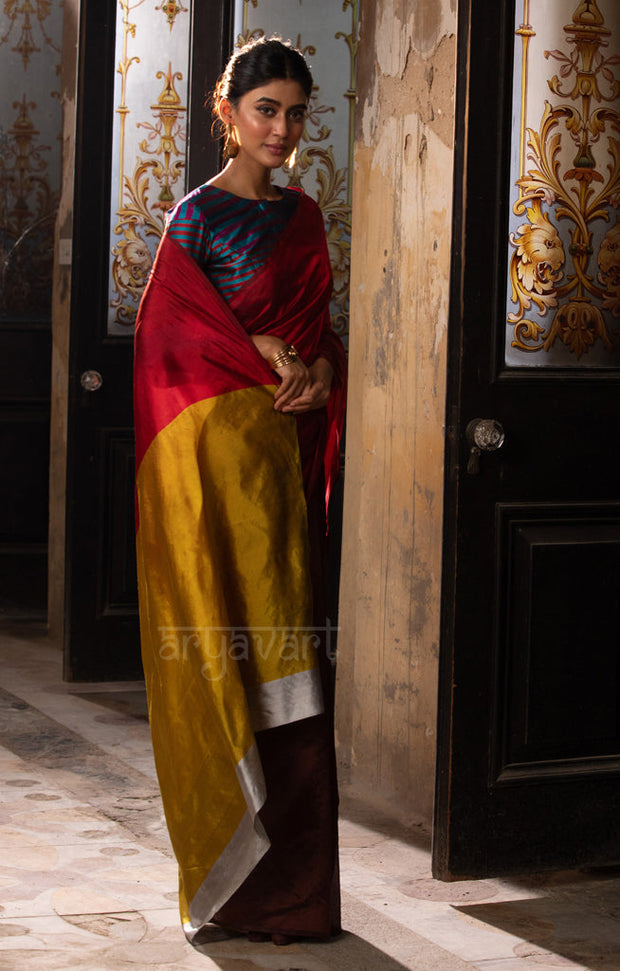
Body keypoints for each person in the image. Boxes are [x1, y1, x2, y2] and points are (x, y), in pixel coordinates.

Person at [133, 37, 347, 948]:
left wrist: (323, 372)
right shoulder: (195, 218)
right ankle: (224, 883)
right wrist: (250, 349)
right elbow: (166, 345)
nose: (283, 129)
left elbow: (320, 334)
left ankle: (294, 896)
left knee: (289, 680)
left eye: (296, 113)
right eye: (267, 110)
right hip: (209, 469)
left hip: (276, 476)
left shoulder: (304, 220)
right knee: (215, 657)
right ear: (227, 112)